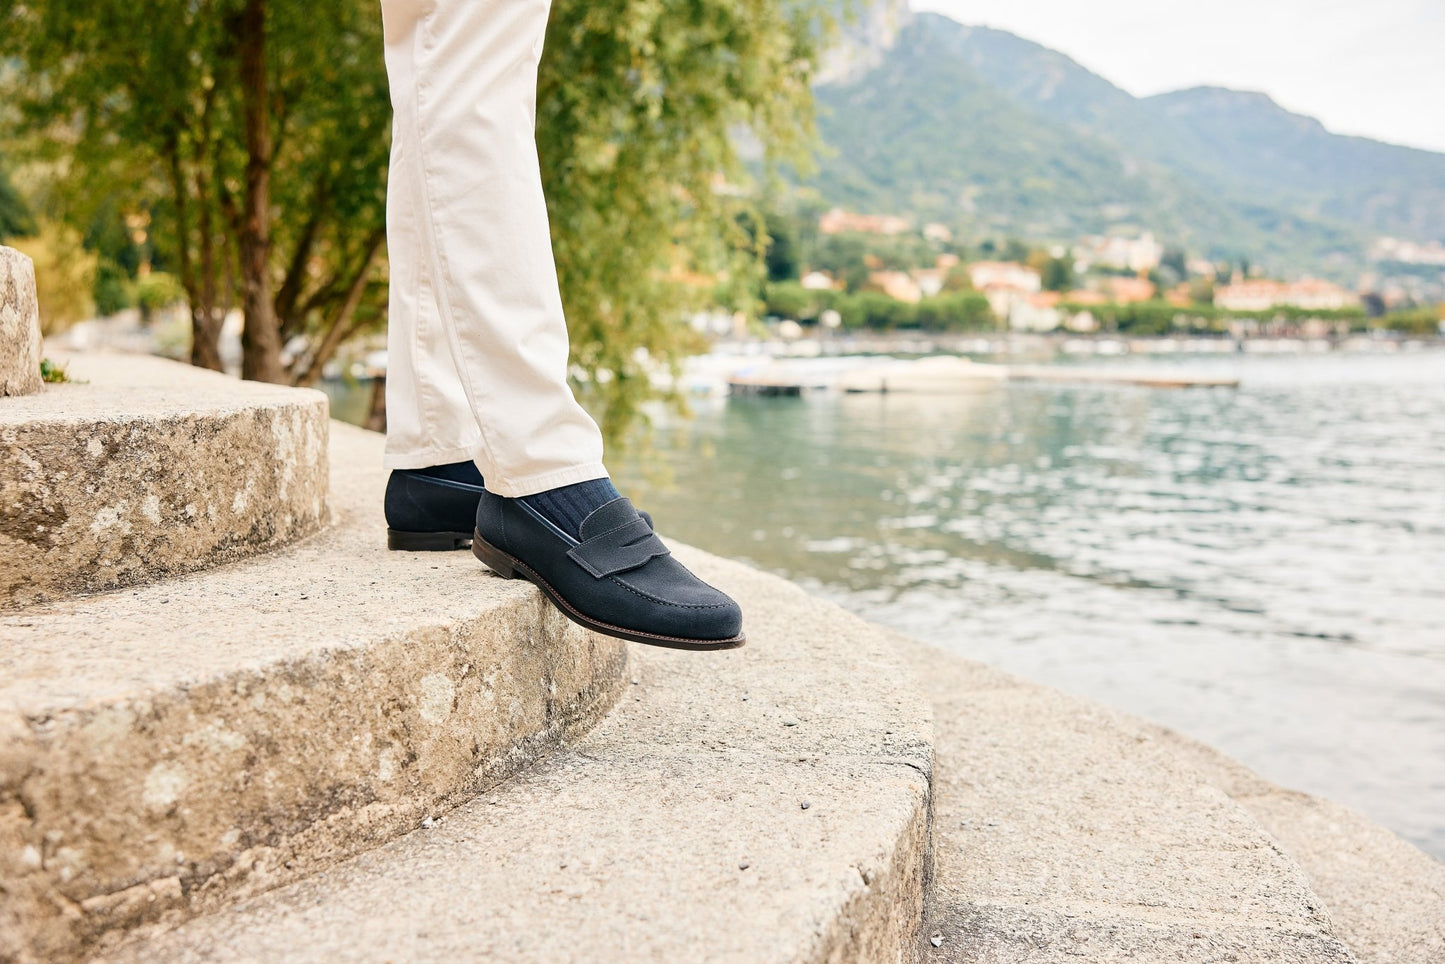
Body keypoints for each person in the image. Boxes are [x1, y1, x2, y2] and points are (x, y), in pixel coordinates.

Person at [375, 0, 743, 651]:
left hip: (438, 459)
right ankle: (539, 467)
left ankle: (438, 455)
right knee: (477, 44)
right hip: (533, 473)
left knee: (439, 47)